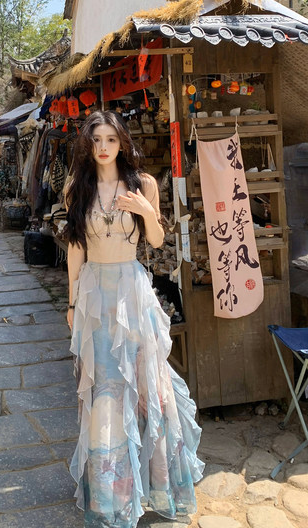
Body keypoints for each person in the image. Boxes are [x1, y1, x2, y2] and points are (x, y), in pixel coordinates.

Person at [65, 111, 204, 528]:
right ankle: (111, 496)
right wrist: (71, 303)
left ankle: (158, 484)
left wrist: (145, 208)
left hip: (132, 293)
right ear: (88, 145)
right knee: (104, 391)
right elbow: (76, 247)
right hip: (95, 296)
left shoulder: (143, 184)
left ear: (122, 142)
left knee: (147, 387)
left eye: (111, 139)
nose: (104, 147)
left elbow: (157, 240)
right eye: (96, 139)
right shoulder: (77, 186)